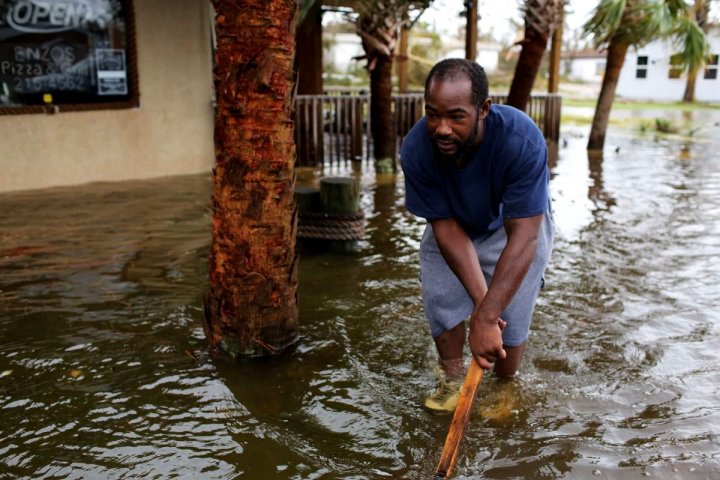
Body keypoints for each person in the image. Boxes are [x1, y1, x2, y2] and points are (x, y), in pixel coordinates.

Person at [400, 59, 554, 414]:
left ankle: (505, 384)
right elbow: (445, 228)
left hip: (515, 225)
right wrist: (483, 309)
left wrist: (489, 316)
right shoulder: (416, 149)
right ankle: (452, 378)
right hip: (453, 221)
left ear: (483, 109)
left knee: (513, 307)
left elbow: (525, 237)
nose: (441, 129)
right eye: (432, 114)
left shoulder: (521, 140)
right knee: (441, 296)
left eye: (456, 116)